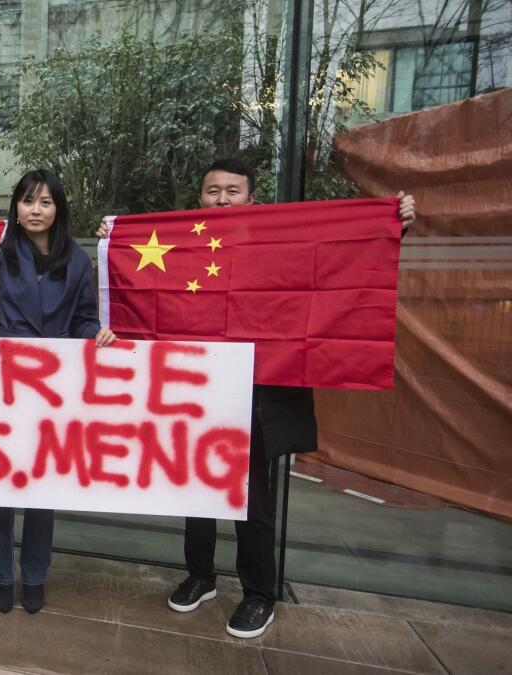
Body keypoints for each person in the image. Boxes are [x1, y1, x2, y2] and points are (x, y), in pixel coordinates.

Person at [96, 157, 416, 639]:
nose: (222, 199)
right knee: (196, 489)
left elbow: (342, 257)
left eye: (233, 191)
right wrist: (114, 240)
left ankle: (258, 594)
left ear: (252, 199)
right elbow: (137, 283)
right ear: (199, 199)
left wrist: (394, 225)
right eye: (212, 191)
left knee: (254, 499)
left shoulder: (280, 244)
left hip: (259, 394)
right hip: (196, 391)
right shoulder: (182, 247)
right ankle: (200, 576)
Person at [0, 169, 116, 614]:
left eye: (45, 202)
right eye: (27, 201)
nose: (36, 210)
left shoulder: (78, 261)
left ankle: (36, 576)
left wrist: (96, 333)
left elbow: (83, 318)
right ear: (16, 208)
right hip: (2, 384)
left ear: (58, 208)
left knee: (44, 489)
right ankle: (2, 575)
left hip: (55, 387)